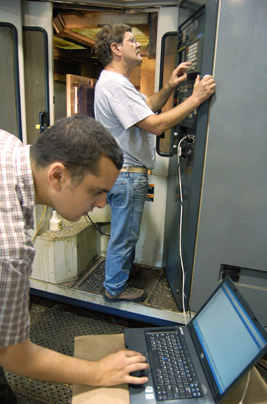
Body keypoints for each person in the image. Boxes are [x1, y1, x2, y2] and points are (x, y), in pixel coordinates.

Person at [0, 115, 149, 404]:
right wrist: (99, 372)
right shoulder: (9, 249)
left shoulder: (9, 145)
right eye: (96, 191)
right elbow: (13, 354)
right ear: (57, 176)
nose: (102, 203)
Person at [94, 23, 216, 303]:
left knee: (126, 233)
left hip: (123, 173)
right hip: (126, 175)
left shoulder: (117, 84)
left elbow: (148, 104)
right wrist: (195, 99)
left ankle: (121, 268)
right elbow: (155, 124)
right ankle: (114, 287)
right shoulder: (115, 86)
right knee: (125, 235)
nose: (137, 45)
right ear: (116, 49)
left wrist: (171, 87)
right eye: (130, 40)